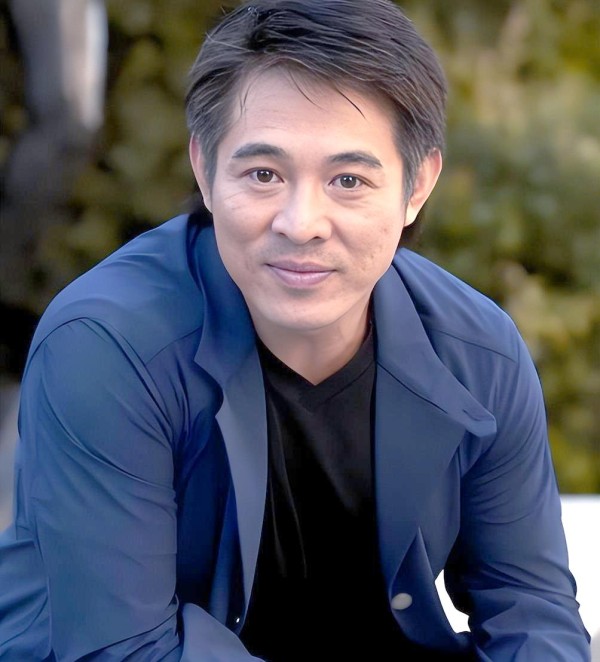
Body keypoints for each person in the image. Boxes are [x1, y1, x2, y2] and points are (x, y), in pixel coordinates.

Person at [0, 0, 591, 659]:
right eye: (264, 174)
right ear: (204, 169)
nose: (301, 223)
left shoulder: (479, 355)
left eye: (348, 180)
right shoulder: (105, 348)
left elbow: (533, 613)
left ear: (417, 185)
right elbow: (125, 650)